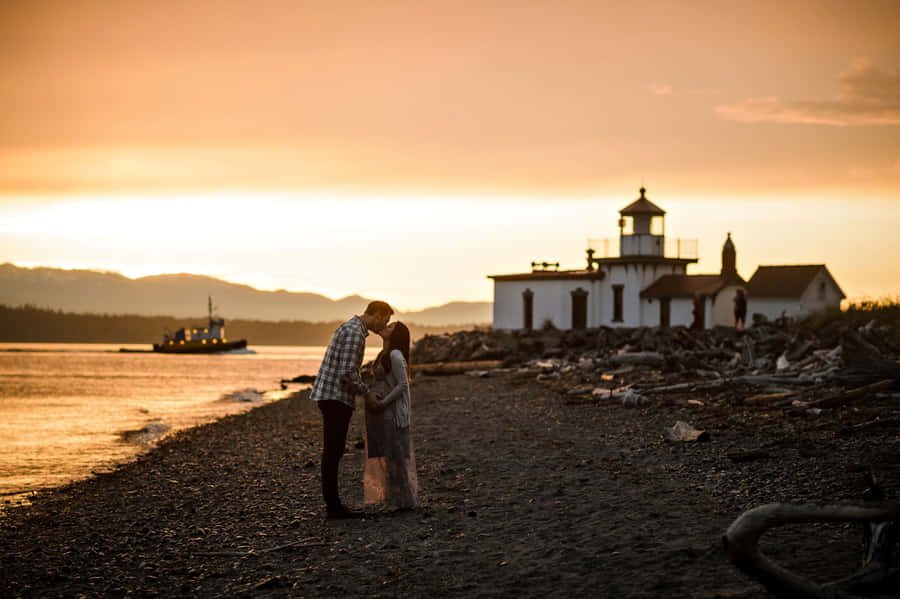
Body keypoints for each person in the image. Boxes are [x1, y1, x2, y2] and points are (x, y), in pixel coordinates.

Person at [309, 300, 393, 519]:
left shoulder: (352, 327)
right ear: (376, 313)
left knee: (333, 451)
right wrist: (366, 393)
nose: (385, 324)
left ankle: (333, 505)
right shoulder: (355, 333)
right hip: (335, 397)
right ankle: (333, 507)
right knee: (333, 452)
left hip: (331, 396)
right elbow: (347, 373)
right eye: (385, 319)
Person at [363, 321, 418, 511]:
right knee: (388, 454)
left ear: (395, 335)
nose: (385, 326)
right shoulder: (384, 354)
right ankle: (393, 498)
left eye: (390, 327)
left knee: (396, 456)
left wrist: (383, 403)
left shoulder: (395, 355)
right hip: (382, 410)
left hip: (391, 411)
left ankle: (404, 500)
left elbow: (403, 385)